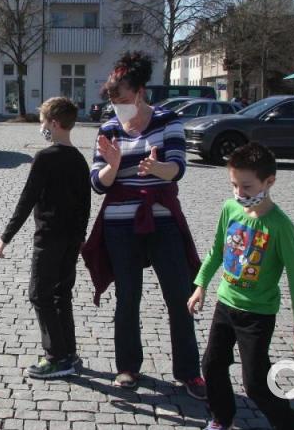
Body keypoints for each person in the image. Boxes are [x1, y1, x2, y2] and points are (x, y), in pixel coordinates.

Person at [81, 51, 205, 396]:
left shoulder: (168, 121)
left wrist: (157, 169)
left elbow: (178, 168)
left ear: (139, 92)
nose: (116, 105)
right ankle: (127, 367)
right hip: (121, 225)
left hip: (162, 221)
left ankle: (189, 371)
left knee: (179, 296)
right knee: (127, 298)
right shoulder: (107, 129)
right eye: (111, 99)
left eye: (121, 98)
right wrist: (114, 164)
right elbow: (97, 183)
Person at [188, 142, 294, 430]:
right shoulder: (230, 208)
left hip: (257, 313)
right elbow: (217, 250)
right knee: (211, 365)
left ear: (269, 182)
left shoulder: (279, 225)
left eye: (246, 187)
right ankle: (222, 418)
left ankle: (292, 426)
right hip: (225, 304)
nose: (239, 193)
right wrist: (201, 285)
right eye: (234, 185)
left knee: (256, 382)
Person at [0, 97, 91, 379]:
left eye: (43, 122)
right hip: (71, 241)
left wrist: (5, 236)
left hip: (49, 238)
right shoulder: (79, 160)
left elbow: (28, 199)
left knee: (40, 294)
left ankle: (56, 356)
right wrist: (80, 238)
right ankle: (68, 351)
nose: (41, 127)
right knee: (61, 295)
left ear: (55, 123)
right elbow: (86, 205)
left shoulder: (45, 158)